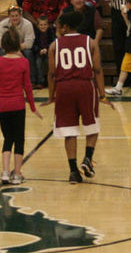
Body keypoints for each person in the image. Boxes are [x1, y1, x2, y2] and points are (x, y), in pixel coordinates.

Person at [44, 11, 108, 183]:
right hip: (85, 86)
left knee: (69, 131)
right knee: (92, 125)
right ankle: (87, 158)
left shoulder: (54, 45)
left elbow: (51, 74)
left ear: (65, 27)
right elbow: (98, 69)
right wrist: (102, 94)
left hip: (64, 88)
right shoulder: (90, 42)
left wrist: (51, 96)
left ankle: (73, 171)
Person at [0, 29, 41, 184]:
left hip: (3, 105)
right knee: (19, 139)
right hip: (18, 105)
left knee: (7, 139)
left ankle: (5, 172)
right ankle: (17, 174)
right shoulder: (23, 62)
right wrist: (33, 107)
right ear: (18, 44)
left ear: (3, 45)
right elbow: (28, 87)